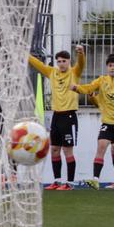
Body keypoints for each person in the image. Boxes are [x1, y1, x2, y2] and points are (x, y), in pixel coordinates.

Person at [74, 54, 114, 189]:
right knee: (101, 146)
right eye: (110, 65)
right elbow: (89, 88)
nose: (112, 68)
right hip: (108, 123)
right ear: (107, 67)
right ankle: (96, 179)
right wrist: (77, 88)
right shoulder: (102, 80)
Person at [29, 45, 85, 189]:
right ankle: (57, 180)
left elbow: (81, 63)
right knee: (54, 149)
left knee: (67, 150)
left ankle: (70, 182)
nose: (61, 64)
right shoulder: (52, 72)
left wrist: (81, 53)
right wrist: (25, 55)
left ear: (69, 61)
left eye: (64, 61)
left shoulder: (74, 72)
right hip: (56, 116)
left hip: (69, 116)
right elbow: (38, 64)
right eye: (59, 61)